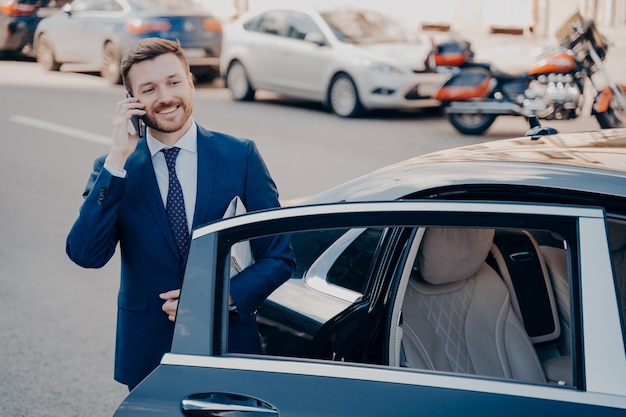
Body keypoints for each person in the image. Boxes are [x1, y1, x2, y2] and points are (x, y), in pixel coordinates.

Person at [66, 38, 294, 391]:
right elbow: (86, 254)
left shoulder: (241, 156)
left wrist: (216, 298)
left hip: (229, 343)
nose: (165, 96)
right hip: (148, 354)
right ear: (132, 102)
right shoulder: (115, 170)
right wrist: (116, 160)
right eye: (149, 89)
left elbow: (279, 258)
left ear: (190, 81)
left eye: (173, 82)